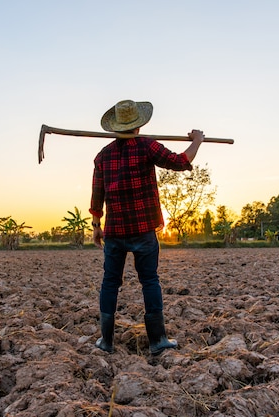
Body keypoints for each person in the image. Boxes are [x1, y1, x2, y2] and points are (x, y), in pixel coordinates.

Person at [89, 99, 204, 355]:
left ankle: (106, 341)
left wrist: (97, 225)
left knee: (110, 282)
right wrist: (197, 140)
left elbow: (97, 195)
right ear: (138, 126)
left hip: (115, 232)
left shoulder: (103, 155)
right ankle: (157, 340)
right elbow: (180, 161)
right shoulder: (146, 146)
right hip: (143, 230)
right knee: (149, 281)